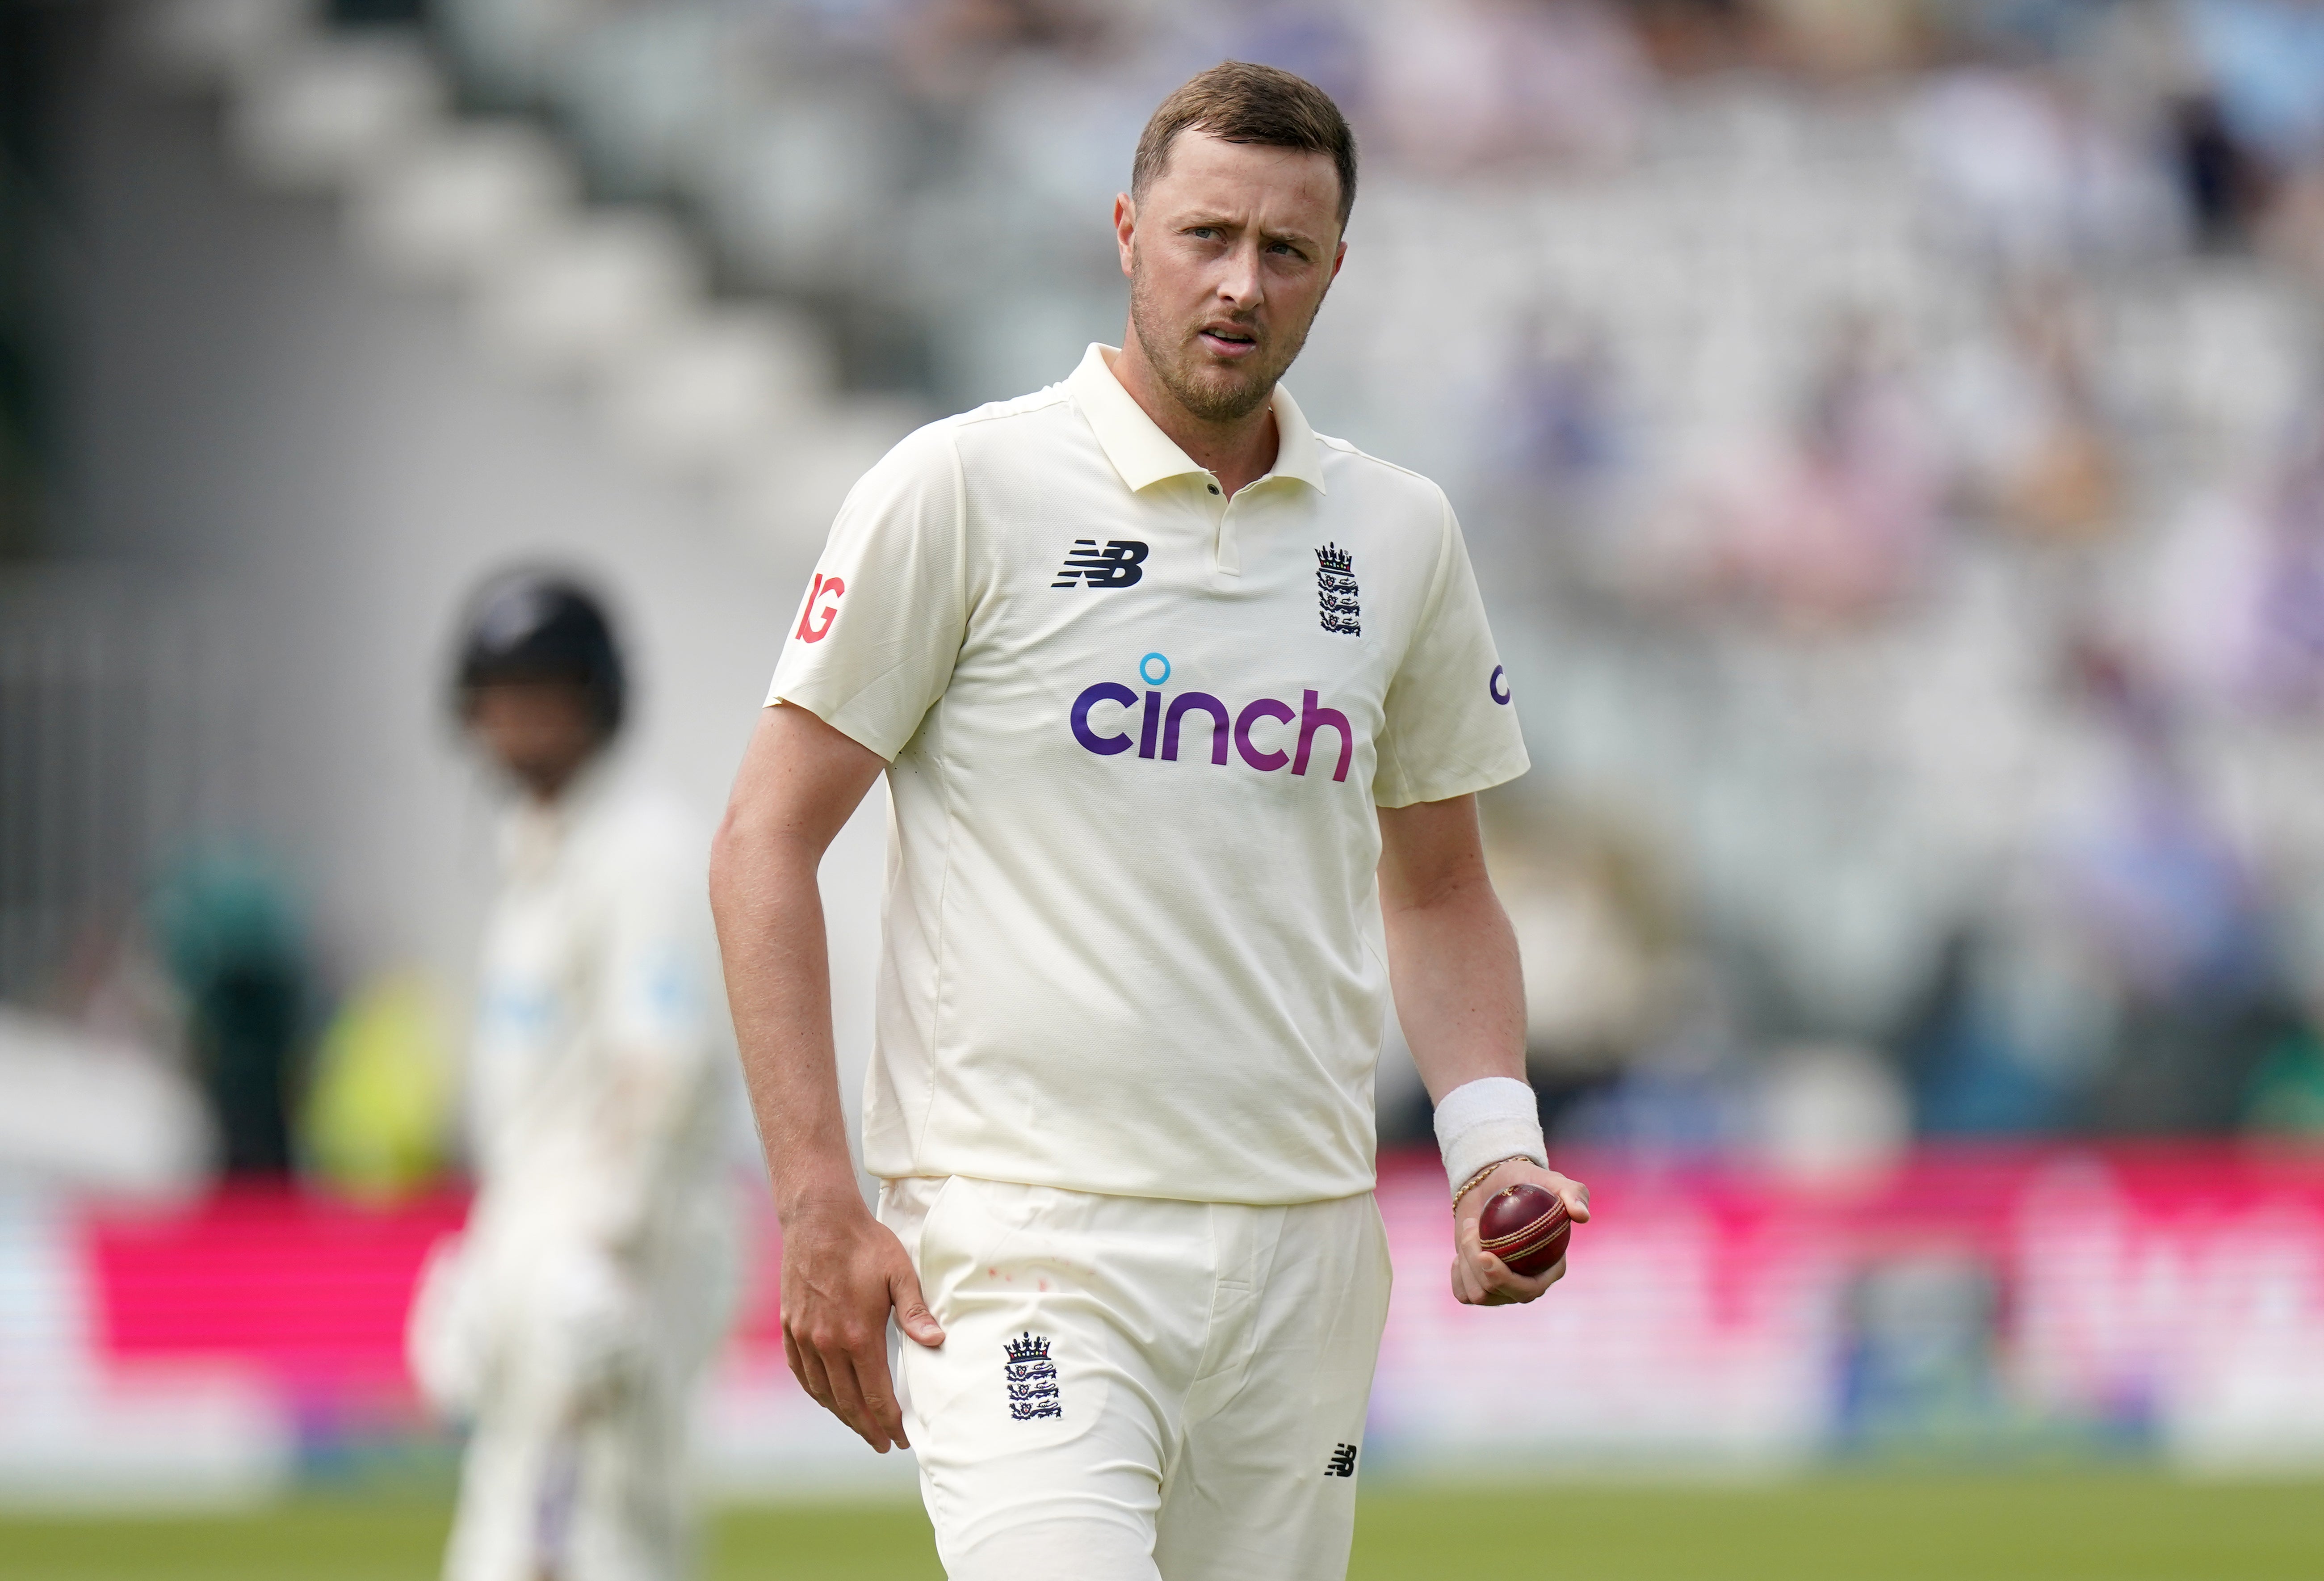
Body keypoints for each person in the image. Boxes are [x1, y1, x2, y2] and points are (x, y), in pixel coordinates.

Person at [709, 62, 1589, 1581]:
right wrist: (815, 1197)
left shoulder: (1399, 533)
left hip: (1301, 1256)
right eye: (1205, 235)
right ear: (1127, 231)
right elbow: (764, 839)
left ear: (1334, 270)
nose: (1240, 283)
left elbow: (1441, 888)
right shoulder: (963, 486)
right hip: (1026, 1243)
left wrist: (1491, 1151)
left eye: (1286, 250)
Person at [409, 572, 734, 1581]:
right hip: (536, 1250)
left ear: (596, 696)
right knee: (510, 1533)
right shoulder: (537, 856)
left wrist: (601, 1246)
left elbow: (662, 1064)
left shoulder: (640, 851)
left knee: (603, 1535)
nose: (518, 719)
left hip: (615, 1262)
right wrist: (487, 1252)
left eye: (543, 691)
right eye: (501, 695)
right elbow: (539, 1104)